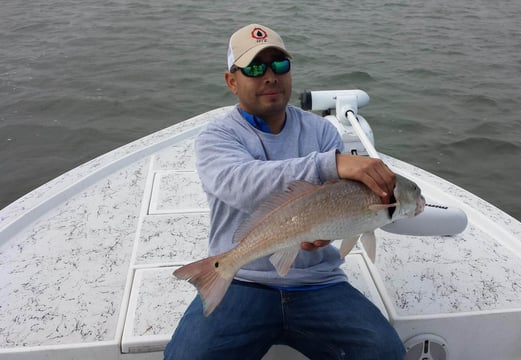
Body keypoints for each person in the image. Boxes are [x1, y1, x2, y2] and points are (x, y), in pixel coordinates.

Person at [164, 23, 406, 360]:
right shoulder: (216, 138)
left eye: (279, 65)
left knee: (385, 352)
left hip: (317, 281)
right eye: (254, 68)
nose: (270, 76)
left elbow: (331, 206)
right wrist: (330, 164)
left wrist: (325, 234)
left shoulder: (321, 131)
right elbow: (241, 184)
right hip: (241, 278)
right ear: (231, 81)